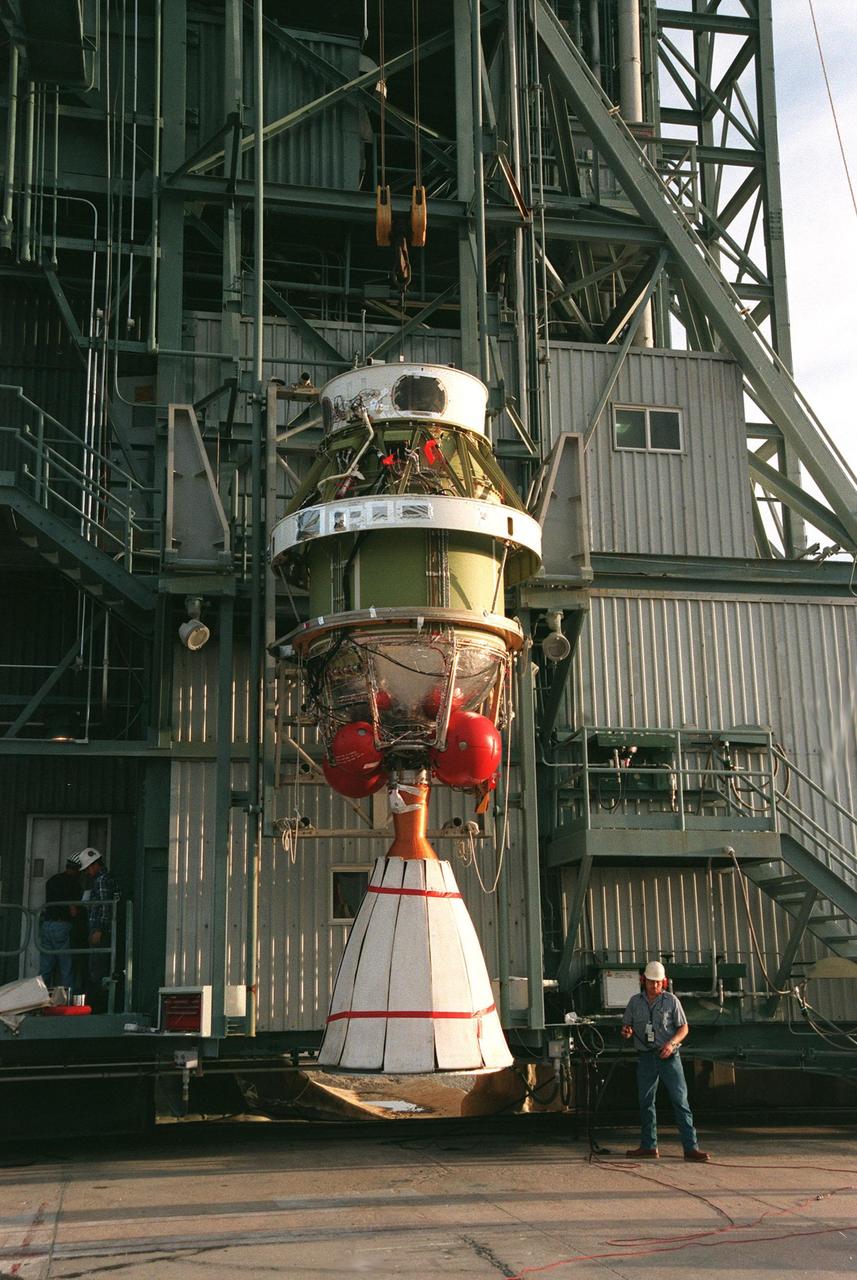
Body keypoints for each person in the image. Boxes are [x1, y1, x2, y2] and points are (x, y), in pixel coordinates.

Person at [621, 960, 710, 1163]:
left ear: (664, 982)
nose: (654, 986)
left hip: (668, 1056)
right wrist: (626, 1032)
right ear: (643, 980)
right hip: (646, 1057)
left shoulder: (671, 1001)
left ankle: (691, 1148)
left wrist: (671, 1044)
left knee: (680, 1101)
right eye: (651, 982)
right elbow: (626, 1025)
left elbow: (683, 1028)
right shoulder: (635, 1002)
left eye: (658, 982)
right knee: (645, 1102)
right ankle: (648, 1146)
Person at [70, 847, 119, 1013]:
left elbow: (105, 905)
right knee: (98, 967)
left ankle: (98, 1006)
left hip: (99, 929)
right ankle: (101, 1004)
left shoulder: (101, 880)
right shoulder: (106, 878)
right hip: (100, 928)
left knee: (97, 969)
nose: (88, 872)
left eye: (89, 868)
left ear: (95, 865)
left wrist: (99, 928)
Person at [38, 857, 82, 993]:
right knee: (66, 968)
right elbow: (73, 911)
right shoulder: (74, 884)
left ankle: (37, 1001)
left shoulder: (52, 881)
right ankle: (65, 1003)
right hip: (62, 925)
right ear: (78, 870)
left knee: (45, 968)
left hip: (46, 925)